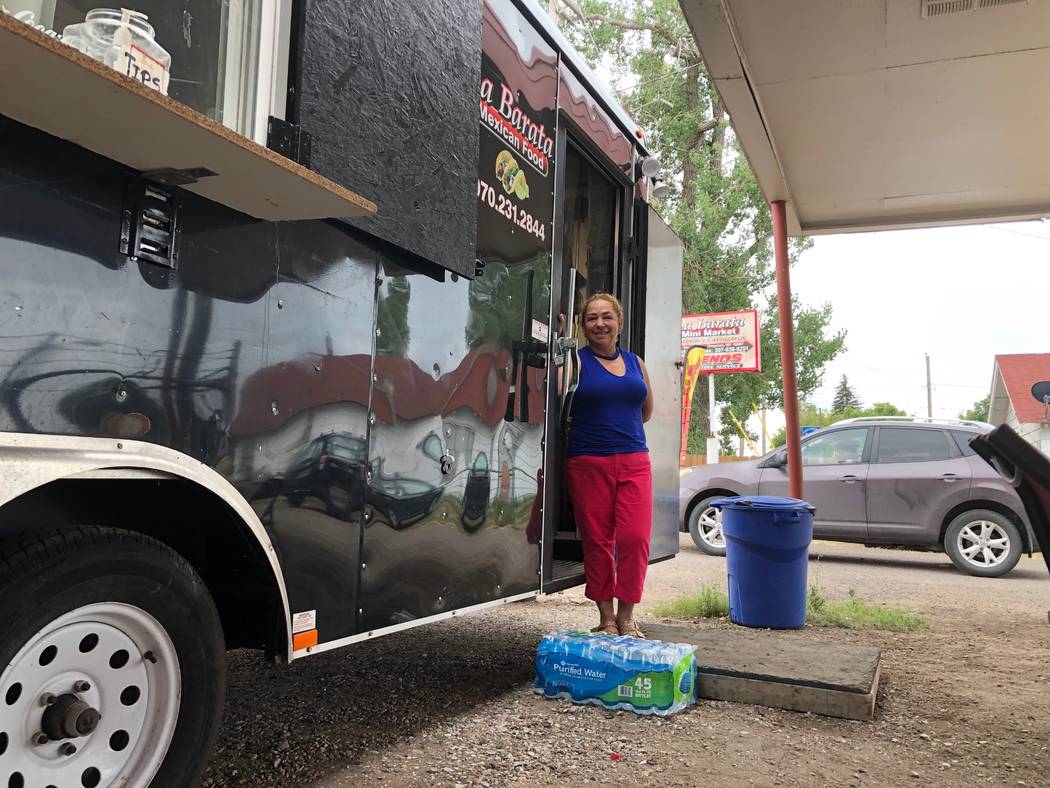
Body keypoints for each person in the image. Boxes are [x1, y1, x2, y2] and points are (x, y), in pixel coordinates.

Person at [564, 292, 654, 638]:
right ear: (584, 326)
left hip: (634, 460)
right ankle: (607, 618)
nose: (599, 323)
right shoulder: (577, 361)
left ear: (618, 322)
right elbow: (558, 399)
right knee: (598, 540)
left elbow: (645, 410)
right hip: (588, 462)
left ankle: (628, 615)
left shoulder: (635, 362)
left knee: (634, 538)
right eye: (591, 318)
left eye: (606, 317)